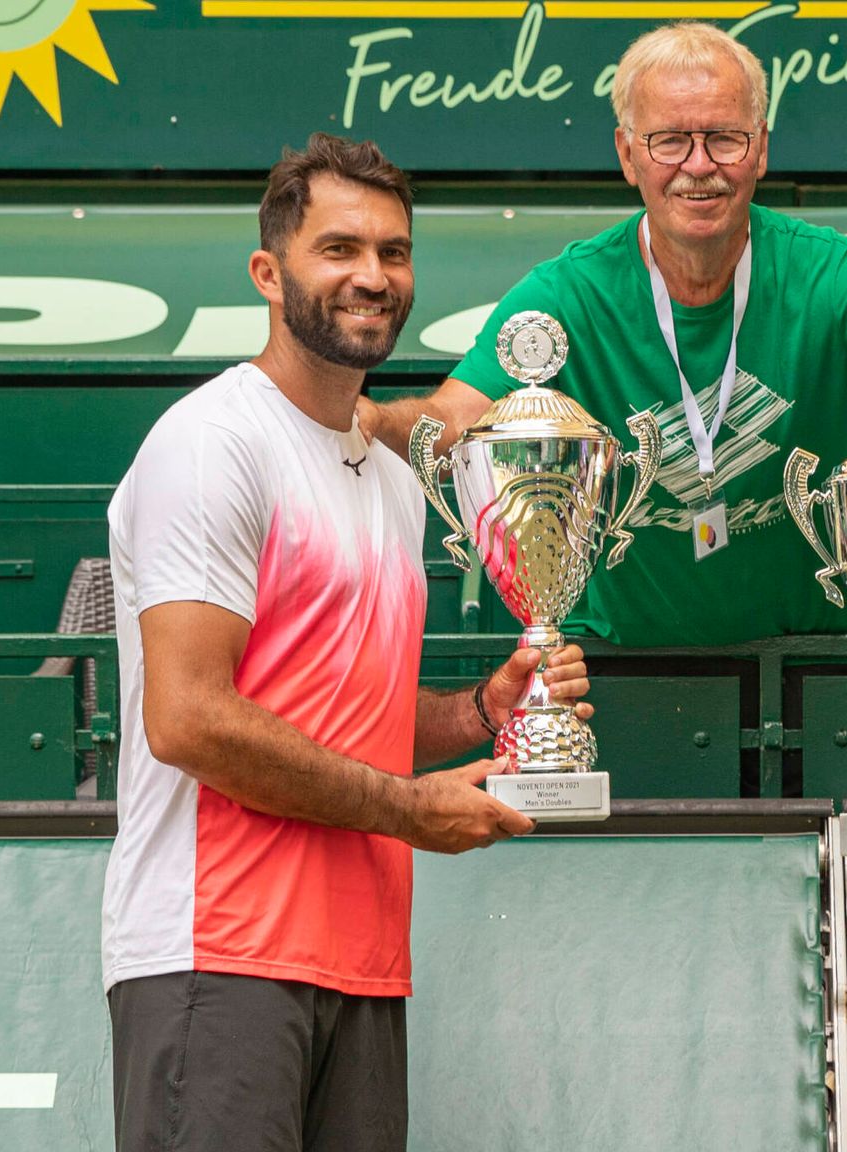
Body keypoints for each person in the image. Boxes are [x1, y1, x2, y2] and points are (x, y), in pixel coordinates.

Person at [101, 133, 591, 1152]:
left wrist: (475, 715)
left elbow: (339, 719)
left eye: (393, 251)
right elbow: (189, 719)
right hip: (216, 951)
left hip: (361, 963)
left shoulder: (390, 475)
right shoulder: (211, 443)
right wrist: (408, 811)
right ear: (269, 273)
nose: (372, 275)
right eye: (338, 249)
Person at [358, 22, 847, 648]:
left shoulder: (834, 277)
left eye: (724, 138)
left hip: (809, 669)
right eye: (670, 141)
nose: (700, 167)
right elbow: (460, 419)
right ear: (628, 155)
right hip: (611, 673)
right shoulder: (570, 291)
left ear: (760, 147)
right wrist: (366, 422)